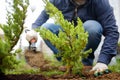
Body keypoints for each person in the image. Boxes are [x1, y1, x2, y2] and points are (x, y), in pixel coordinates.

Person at [27, 0, 119, 74]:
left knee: (93, 27)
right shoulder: (59, 1)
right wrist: (34, 30)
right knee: (45, 28)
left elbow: (112, 32)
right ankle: (67, 61)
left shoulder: (100, 2)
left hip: (86, 34)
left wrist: (103, 61)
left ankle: (85, 63)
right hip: (67, 35)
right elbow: (44, 15)